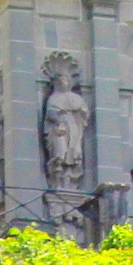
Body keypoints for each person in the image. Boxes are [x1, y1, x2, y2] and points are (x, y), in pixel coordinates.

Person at [40, 54, 92, 190]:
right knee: (59, 154)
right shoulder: (53, 98)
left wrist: (80, 112)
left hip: (74, 128)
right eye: (61, 79)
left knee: (74, 154)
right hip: (59, 129)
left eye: (66, 79)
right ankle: (58, 182)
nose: (65, 82)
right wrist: (59, 120)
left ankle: (69, 182)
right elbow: (50, 113)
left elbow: (84, 112)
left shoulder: (75, 97)